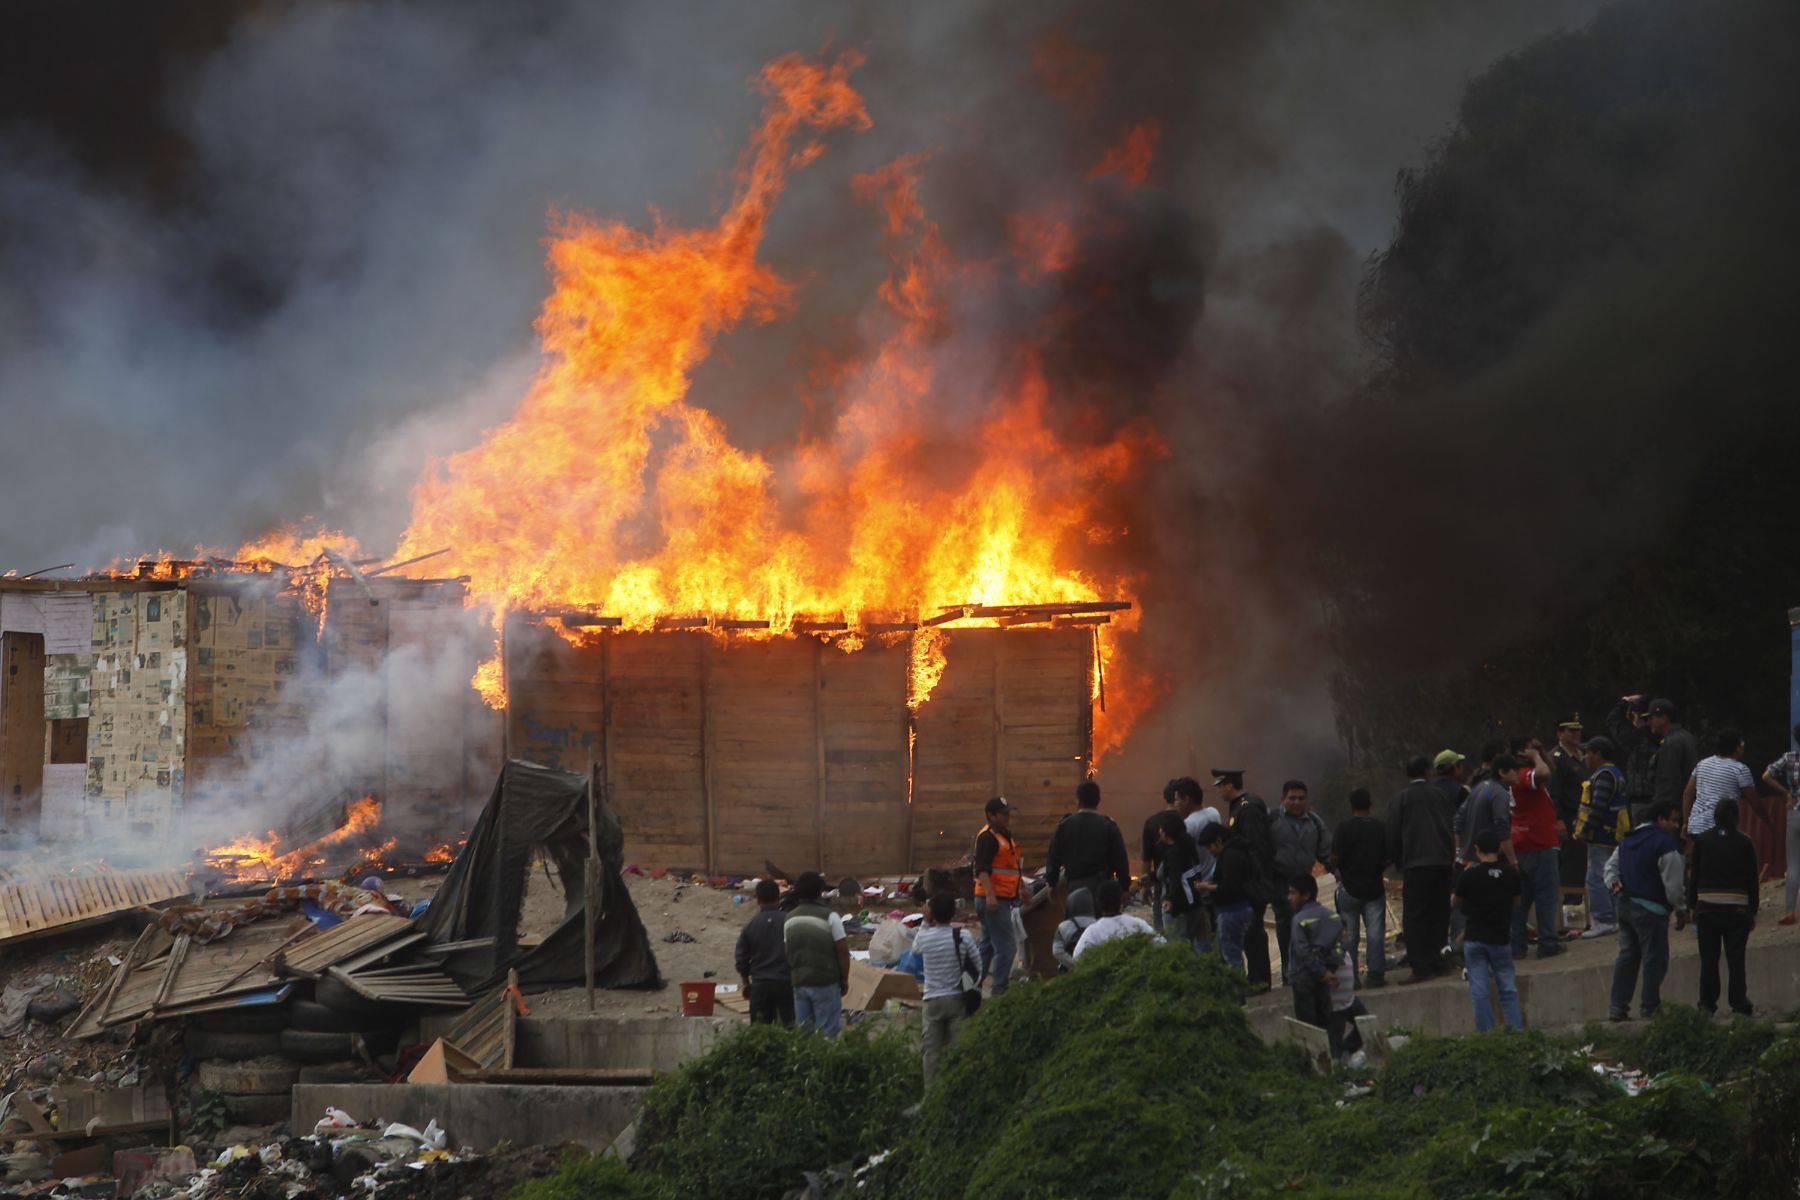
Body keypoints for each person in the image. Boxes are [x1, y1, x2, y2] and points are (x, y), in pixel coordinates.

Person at [1604, 801, 1687, 1022]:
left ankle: (1617, 1008)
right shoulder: (1665, 844)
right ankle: (1650, 1007)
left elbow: (1610, 868)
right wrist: (1681, 910)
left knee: (1627, 956)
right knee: (1655, 958)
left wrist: (1614, 884)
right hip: (1650, 910)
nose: (1676, 825)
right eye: (1673, 820)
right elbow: (1674, 885)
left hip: (1625, 905)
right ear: (1660, 819)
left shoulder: (1627, 841)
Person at [1688, 798, 1758, 1016]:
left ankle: (1707, 1004)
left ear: (1714, 817)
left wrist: (1692, 905)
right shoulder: (1745, 842)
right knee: (1736, 959)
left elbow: (1694, 876)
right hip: (1737, 910)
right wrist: (1752, 910)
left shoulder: (1702, 841)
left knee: (1709, 959)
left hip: (1707, 908)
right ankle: (1739, 1003)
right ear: (1737, 818)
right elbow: (1752, 880)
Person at [1389, 755, 1455, 983]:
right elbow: (1449, 827)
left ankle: (1421, 967)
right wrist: (1450, 858)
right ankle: (1439, 961)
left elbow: (1395, 834)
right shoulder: (1440, 795)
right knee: (1439, 913)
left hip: (1416, 866)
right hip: (1442, 863)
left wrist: (1399, 863)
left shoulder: (1401, 799)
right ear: (1428, 772)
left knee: (1415, 917)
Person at [1452, 830, 1524, 1032]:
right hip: (1501, 938)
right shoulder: (1511, 874)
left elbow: (1454, 901)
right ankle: (1516, 1034)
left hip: (1475, 938)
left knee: (1480, 991)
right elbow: (1516, 902)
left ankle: (1486, 1037)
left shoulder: (1471, 875)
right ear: (1500, 847)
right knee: (1508, 989)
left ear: (1477, 850)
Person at [1506, 739, 1565, 960]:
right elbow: (1544, 774)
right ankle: (1547, 943)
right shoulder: (1522, 775)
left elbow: (1550, 770)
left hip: (1524, 844)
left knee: (1523, 900)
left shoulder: (1517, 775)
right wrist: (1536, 757)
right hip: (1538, 845)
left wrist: (1539, 753)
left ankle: (1518, 945)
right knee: (1544, 897)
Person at [1216, 769, 1275, 988]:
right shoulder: (1240, 806)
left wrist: (1254, 880)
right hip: (1249, 880)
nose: (1219, 791)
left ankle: (1260, 980)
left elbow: (1256, 846)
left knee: (1253, 933)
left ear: (1229, 785)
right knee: (1250, 932)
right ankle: (1256, 978)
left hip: (1252, 881)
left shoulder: (1247, 808)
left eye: (1220, 786)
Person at [916, 891, 982, 1085]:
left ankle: (930, 1098)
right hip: (956, 999)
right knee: (958, 1052)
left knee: (931, 1054)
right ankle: (956, 1093)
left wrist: (925, 921)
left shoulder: (924, 938)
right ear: (953, 913)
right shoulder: (963, 936)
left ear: (932, 913)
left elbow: (915, 948)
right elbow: (978, 966)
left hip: (932, 1002)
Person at [1269, 780, 1329, 985]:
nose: (1296, 802)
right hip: (1280, 881)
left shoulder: (1314, 822)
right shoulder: (1272, 820)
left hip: (1304, 881)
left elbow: (1326, 851)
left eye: (1301, 798)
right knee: (1285, 924)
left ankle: (1305, 967)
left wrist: (1336, 870)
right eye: (1291, 798)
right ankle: (1289, 969)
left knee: (1307, 925)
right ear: (1282, 799)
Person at [1330, 787, 1388, 986]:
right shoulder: (1379, 827)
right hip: (1374, 888)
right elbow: (1388, 856)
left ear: (1351, 805)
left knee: (1350, 936)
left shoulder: (1343, 827)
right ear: (1370, 806)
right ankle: (1375, 975)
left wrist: (1342, 869)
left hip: (1349, 888)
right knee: (1375, 933)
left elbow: (1336, 857)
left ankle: (1351, 978)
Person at [1286, 873, 1346, 1061]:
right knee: (1326, 1021)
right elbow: (1339, 947)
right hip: (1324, 979)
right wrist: (1329, 972)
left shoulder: (1299, 920)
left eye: (1293, 893)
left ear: (1306, 895)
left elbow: (1302, 952)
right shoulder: (1333, 917)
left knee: (1309, 1028)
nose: (1289, 898)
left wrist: (1322, 973)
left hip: (1303, 978)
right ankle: (1334, 1061)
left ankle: (1316, 1067)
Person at [1571, 735, 1627, 939]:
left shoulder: (1604, 775)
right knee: (1611, 876)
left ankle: (1604, 920)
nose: (1585, 756)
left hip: (1602, 835)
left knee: (1596, 879)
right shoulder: (1614, 773)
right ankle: (1614, 918)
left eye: (1588, 752)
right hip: (1611, 835)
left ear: (1598, 755)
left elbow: (1598, 807)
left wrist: (1585, 830)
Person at [783, 871, 850, 1035]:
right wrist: (844, 979)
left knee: (804, 1034)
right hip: (825, 983)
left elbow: (788, 952)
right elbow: (842, 952)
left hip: (800, 983)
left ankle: (806, 1061)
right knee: (828, 1033)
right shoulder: (831, 917)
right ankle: (825, 1062)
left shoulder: (789, 918)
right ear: (820, 892)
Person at [1045, 778, 1131, 901]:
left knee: (1077, 919)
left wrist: (1051, 883)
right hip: (1102, 890)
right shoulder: (1108, 826)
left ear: (1078, 801)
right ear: (1098, 801)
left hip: (1074, 888)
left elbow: (1053, 858)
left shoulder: (1064, 826)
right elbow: (1120, 859)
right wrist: (1124, 887)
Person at [973, 796, 1024, 995]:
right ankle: (999, 990)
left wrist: (1023, 891)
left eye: (1008, 813)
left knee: (986, 946)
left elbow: (1012, 869)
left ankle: (973, 987)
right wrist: (991, 896)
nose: (1007, 817)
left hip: (1000, 898)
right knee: (1007, 946)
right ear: (991, 815)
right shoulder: (988, 838)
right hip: (994, 900)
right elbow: (982, 870)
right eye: (1003, 814)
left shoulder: (1005, 836)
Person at [1154, 810, 1215, 952]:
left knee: (1178, 948)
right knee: (1200, 944)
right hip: (1196, 902)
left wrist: (1170, 899)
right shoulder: (1188, 845)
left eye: (1161, 828)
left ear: (1166, 831)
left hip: (1179, 906)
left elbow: (1175, 877)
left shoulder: (1173, 852)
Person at [1683, 728, 1760, 839]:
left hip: (1696, 827)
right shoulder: (1740, 769)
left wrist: (1686, 822)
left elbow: (1687, 793)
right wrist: (1768, 820)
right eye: (1742, 743)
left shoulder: (1702, 764)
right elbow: (1754, 801)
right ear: (1737, 748)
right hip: (1720, 829)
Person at [735, 879, 793, 1025]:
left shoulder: (750, 925)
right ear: (778, 897)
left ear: (758, 899)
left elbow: (741, 959)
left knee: (760, 1033)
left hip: (760, 985)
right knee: (790, 1029)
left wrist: (746, 983)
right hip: (786, 983)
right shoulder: (789, 921)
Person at [1761, 723, 1800, 925]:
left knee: (1793, 864)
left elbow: (1766, 776)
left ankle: (1790, 911)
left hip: (1794, 813)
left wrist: (1786, 793)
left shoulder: (1789, 758)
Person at [1212, 821, 1262, 975]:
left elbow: (1230, 886)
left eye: (1210, 847)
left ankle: (1238, 992)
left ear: (1219, 841)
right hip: (1241, 908)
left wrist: (1209, 887)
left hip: (1232, 911)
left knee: (1231, 955)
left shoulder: (1230, 856)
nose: (1210, 852)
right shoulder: (1240, 851)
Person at [1551, 715, 1590, 904]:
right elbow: (1554, 792)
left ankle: (1579, 907)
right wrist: (1558, 818)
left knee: (1582, 864)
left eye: (1578, 730)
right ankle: (1570, 909)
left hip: (1583, 817)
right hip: (1568, 817)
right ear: (1560, 733)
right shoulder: (1557, 758)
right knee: (1570, 865)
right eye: (1571, 730)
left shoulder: (1582, 755)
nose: (1576, 734)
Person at [1071, 880, 1161, 959]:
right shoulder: (1138, 924)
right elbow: (1161, 944)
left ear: (1097, 902)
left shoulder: (1092, 932)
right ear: (1122, 900)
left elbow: (1078, 958)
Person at [1607, 694, 1659, 826]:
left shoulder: (1634, 738)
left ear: (1637, 716)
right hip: (1662, 798)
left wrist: (1624, 701)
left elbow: (1612, 722)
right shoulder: (1663, 735)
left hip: (1640, 799)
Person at [1648, 699, 1699, 817]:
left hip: (1673, 810)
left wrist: (1661, 812)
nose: (1650, 721)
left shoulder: (1671, 742)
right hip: (1689, 806)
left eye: (1652, 717)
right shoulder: (1687, 737)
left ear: (1664, 718)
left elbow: (1668, 781)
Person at [1142, 781, 1181, 931]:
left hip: (1160, 881)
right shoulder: (1187, 819)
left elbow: (1146, 859)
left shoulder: (1152, 822)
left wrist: (1145, 885)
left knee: (1161, 927)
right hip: (1186, 881)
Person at [1052, 886, 1099, 971]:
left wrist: (1076, 965)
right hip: (1097, 968)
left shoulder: (1063, 926)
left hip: (1070, 972)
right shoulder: (1098, 924)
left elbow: (1057, 951)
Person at [1173, 776, 1222, 843]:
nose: (1175, 804)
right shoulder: (1213, 812)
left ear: (1186, 800)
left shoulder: (1189, 824)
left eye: (1176, 799)